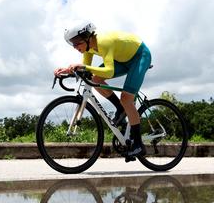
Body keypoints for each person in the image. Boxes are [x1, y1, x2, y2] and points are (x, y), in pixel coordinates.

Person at [54, 22, 152, 159]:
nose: (75, 47)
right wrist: (68, 70)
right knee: (94, 79)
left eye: (76, 42)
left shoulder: (103, 42)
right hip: (122, 59)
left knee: (126, 98)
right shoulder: (87, 48)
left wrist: (82, 67)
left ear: (87, 37)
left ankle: (138, 145)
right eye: (72, 43)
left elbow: (109, 71)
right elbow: (85, 68)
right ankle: (121, 109)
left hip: (140, 56)